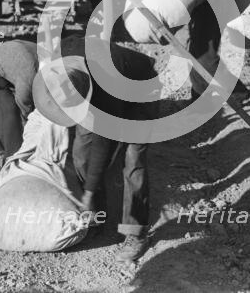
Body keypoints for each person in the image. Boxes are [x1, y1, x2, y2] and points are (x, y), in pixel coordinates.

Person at [31, 34, 157, 262]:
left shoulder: (105, 89)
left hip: (142, 90)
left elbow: (103, 144)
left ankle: (136, 233)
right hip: (98, 85)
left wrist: (88, 190)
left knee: (132, 160)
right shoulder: (61, 60)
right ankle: (98, 216)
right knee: (80, 153)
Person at [0, 39, 39, 157]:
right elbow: (25, 108)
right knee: (9, 110)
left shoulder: (52, 67)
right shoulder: (29, 79)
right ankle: (12, 157)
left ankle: (5, 135)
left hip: (12, 60)